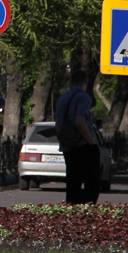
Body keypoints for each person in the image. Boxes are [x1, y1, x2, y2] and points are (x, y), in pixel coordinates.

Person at [54, 68, 101, 204]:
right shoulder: (83, 98)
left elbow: (58, 124)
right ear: (85, 82)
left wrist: (63, 140)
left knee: (72, 183)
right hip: (82, 145)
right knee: (92, 182)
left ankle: (72, 212)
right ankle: (86, 211)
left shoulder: (63, 98)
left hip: (67, 146)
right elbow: (80, 122)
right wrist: (92, 143)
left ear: (71, 82)